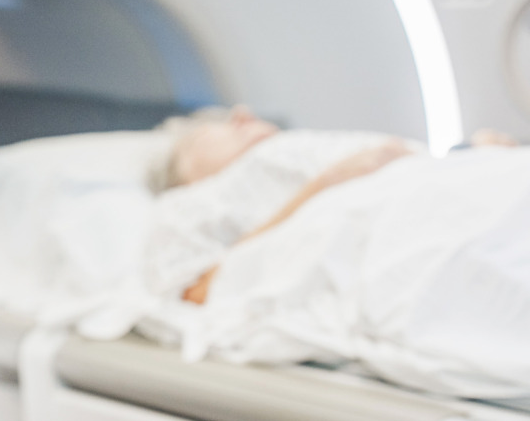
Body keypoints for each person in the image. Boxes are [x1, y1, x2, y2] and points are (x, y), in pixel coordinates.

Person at [151, 106, 514, 303]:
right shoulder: (190, 206)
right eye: (222, 127)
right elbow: (196, 290)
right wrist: (322, 188)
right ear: (186, 174)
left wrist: (472, 155)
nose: (243, 114)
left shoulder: (305, 146)